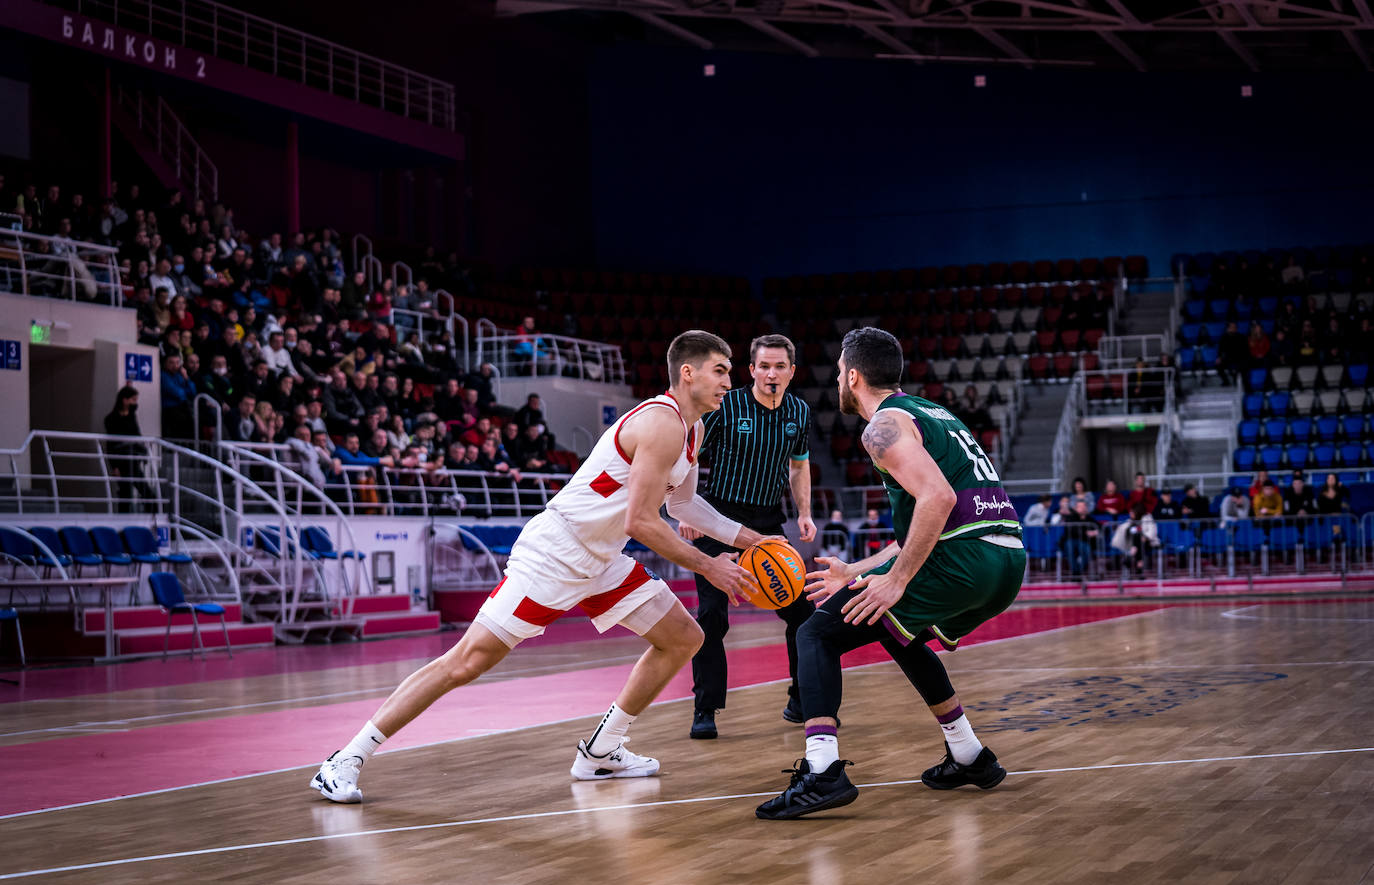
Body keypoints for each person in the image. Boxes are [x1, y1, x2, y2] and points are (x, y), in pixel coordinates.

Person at [311, 331, 779, 804]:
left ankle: (603, 749)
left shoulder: (691, 430)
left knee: (684, 637)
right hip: (559, 551)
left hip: (600, 557)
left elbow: (684, 507)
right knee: (467, 662)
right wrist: (710, 566)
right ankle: (344, 759)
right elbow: (642, 521)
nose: (728, 381)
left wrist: (752, 539)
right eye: (720, 370)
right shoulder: (662, 423)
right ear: (688, 372)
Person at [756, 326, 1024, 820]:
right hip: (1002, 558)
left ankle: (822, 772)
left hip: (966, 559)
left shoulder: (881, 427)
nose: (837, 378)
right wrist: (855, 571)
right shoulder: (930, 412)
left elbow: (938, 501)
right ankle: (969, 755)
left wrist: (896, 579)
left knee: (816, 634)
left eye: (838, 370)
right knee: (899, 631)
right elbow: (931, 520)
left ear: (852, 376)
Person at [678, 334, 815, 740]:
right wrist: (685, 508)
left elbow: (799, 465)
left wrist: (804, 512)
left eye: (780, 367)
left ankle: (801, 699)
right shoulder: (727, 405)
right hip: (717, 515)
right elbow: (688, 452)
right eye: (764, 366)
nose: (771, 374)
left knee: (801, 614)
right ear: (751, 370)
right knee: (711, 617)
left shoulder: (799, 412)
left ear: (792, 372)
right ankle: (706, 709)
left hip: (768, 523)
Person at [103, 385, 156, 511]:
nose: (135, 403)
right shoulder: (111, 419)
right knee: (125, 494)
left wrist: (142, 451)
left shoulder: (132, 416)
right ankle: (124, 523)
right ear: (124, 400)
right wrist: (114, 466)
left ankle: (149, 520)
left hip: (133, 458)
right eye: (133, 399)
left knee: (147, 493)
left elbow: (137, 435)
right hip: (121, 461)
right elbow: (110, 444)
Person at [1112, 504, 1157, 577]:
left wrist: (1146, 537)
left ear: (1138, 512)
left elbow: (1152, 531)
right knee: (1137, 541)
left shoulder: (1148, 518)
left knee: (1139, 541)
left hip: (1148, 542)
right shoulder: (1130, 521)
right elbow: (1124, 528)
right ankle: (1139, 567)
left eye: (1132, 512)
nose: (1130, 514)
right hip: (1136, 543)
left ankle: (1130, 557)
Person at [1059, 497, 1099, 578]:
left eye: (1083, 506)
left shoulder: (1089, 519)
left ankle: (1078, 572)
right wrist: (1086, 533)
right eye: (1079, 506)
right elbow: (1073, 530)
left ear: (1086, 508)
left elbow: (1100, 527)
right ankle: (1076, 572)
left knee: (1087, 551)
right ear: (1076, 508)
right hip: (1070, 540)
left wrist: (1095, 532)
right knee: (1069, 548)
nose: (1081, 508)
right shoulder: (1071, 517)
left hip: (1084, 542)